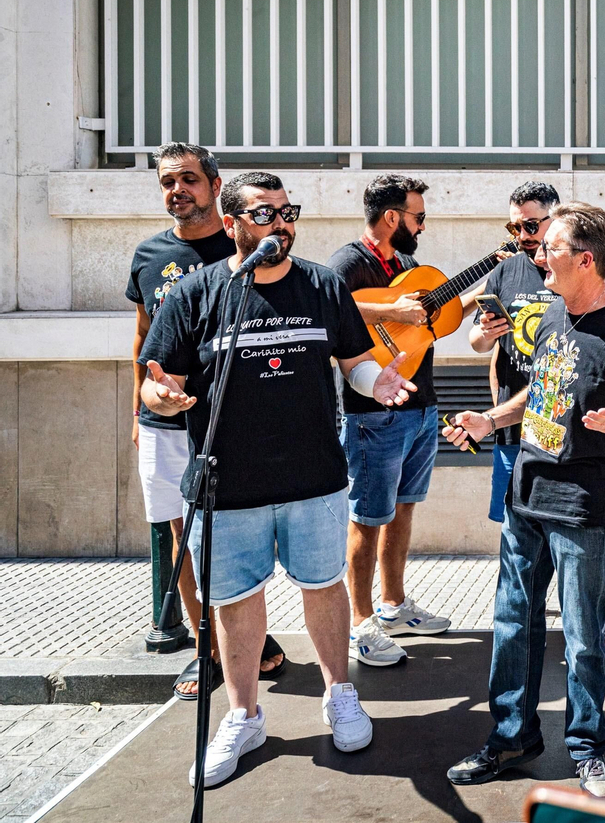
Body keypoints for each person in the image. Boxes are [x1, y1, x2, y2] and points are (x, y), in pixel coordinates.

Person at [140, 172, 414, 787]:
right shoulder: (197, 294)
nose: (281, 224)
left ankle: (340, 694)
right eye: (264, 214)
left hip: (314, 478)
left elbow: (354, 361)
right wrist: (163, 398)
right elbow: (159, 383)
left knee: (324, 587)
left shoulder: (323, 284)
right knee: (235, 601)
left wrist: (376, 382)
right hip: (228, 486)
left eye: (287, 212)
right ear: (232, 223)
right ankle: (244, 716)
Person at [441, 203, 605, 796]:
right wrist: (491, 419)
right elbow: (541, 390)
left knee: (582, 633)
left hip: (580, 508)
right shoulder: (552, 315)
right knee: (511, 624)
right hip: (526, 496)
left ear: (586, 260)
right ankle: (511, 737)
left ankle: (587, 748)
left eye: (551, 248)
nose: (538, 256)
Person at [127, 142, 284, 700]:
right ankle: (206, 649)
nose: (178, 190)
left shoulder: (244, 244)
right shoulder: (148, 254)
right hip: (164, 426)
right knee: (181, 533)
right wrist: (139, 410)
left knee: (233, 534)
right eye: (168, 181)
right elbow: (143, 338)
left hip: (227, 425)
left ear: (216, 186)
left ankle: (245, 635)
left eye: (189, 179)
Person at [464, 180, 605, 664]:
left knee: (583, 539)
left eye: (530, 225)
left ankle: (593, 621)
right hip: (516, 428)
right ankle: (525, 628)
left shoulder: (587, 270)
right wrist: (486, 334)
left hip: (574, 433)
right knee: (520, 543)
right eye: (514, 226)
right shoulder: (506, 269)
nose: (522, 236)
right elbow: (479, 345)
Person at [329, 175, 452, 668]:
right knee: (367, 518)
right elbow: (329, 308)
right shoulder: (347, 262)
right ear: (392, 217)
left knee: (403, 509)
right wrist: (391, 310)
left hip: (420, 406)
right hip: (371, 415)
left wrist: (474, 298)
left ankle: (394, 606)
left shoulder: (406, 266)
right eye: (418, 217)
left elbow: (425, 321)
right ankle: (360, 623)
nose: (422, 226)